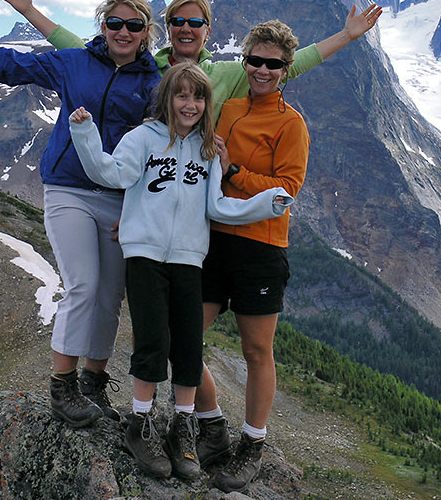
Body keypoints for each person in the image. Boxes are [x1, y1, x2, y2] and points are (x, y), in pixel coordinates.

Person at [0, 0, 161, 428]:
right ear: (103, 26)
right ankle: (62, 387)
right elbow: (18, 66)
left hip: (121, 199)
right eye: (115, 23)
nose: (123, 32)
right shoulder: (73, 62)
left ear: (145, 33)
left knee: (108, 297)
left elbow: (164, 137)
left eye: (133, 25)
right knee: (82, 285)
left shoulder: (154, 81)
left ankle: (94, 384)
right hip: (69, 191)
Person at [67, 62, 293, 480]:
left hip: (190, 258)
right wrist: (85, 134)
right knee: (152, 339)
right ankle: (140, 425)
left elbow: (217, 207)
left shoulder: (208, 151)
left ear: (207, 103)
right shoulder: (142, 138)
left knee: (188, 344)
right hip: (145, 256)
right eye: (182, 95)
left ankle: (183, 427)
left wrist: (264, 204)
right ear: (167, 98)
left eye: (198, 96)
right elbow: (110, 173)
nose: (190, 104)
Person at [0, 0, 382, 118]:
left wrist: (347, 36)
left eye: (195, 22)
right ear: (166, 26)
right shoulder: (143, 65)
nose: (185, 28)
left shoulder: (226, 74)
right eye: (177, 20)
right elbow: (80, 49)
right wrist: (31, 12)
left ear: (207, 31)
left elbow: (288, 65)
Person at [199, 20, 309, 493]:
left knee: (256, 350)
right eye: (255, 60)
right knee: (179, 334)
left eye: (273, 64)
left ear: (286, 69)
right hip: (211, 238)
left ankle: (253, 443)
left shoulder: (291, 123)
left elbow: (288, 190)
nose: (262, 70)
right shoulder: (229, 107)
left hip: (261, 245)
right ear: (245, 61)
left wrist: (237, 171)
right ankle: (210, 422)